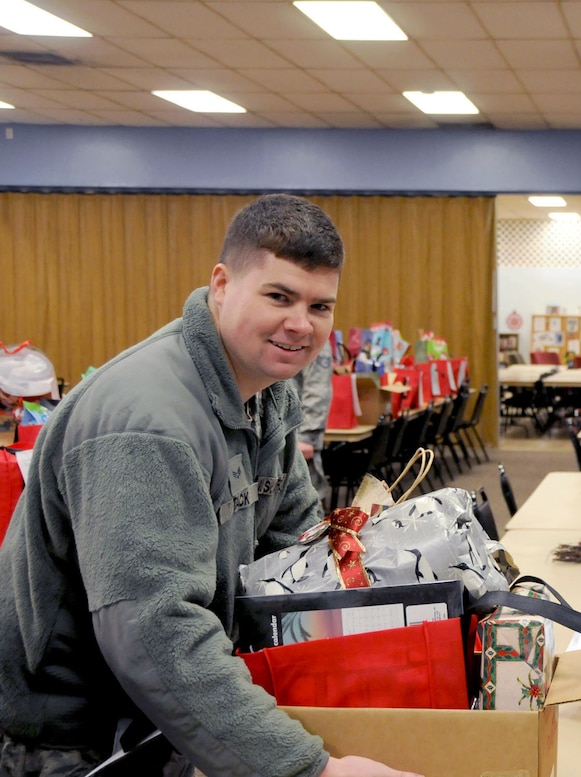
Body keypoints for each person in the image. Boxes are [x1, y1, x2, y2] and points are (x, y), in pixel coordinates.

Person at [0, 194, 421, 777]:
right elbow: (154, 632)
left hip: (160, 717)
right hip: (72, 740)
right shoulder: (146, 423)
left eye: (320, 305)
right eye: (279, 296)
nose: (301, 324)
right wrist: (309, 769)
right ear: (222, 285)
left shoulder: (269, 393)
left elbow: (298, 553)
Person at [292, 338, 334, 512]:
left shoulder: (314, 335)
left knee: (306, 507)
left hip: (298, 437)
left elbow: (318, 389)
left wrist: (307, 436)